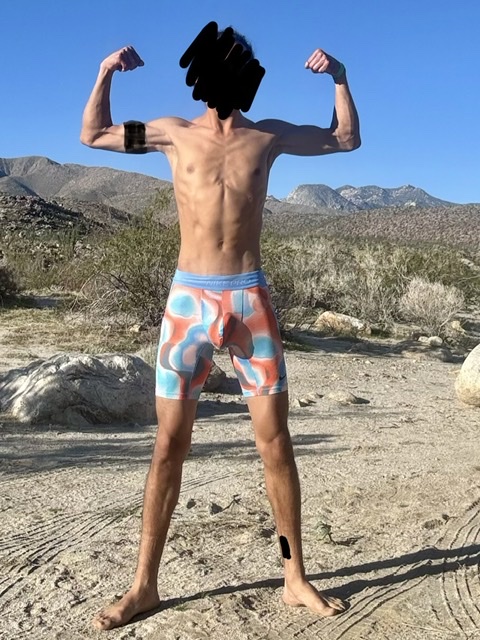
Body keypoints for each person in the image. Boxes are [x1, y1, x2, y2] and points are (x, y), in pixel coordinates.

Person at [80, 27, 360, 631]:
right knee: (168, 446)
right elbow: (94, 134)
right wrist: (105, 72)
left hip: (249, 301)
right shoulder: (172, 134)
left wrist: (340, 77)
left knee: (275, 443)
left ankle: (293, 575)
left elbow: (345, 137)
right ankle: (144, 584)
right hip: (189, 305)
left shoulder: (268, 138)